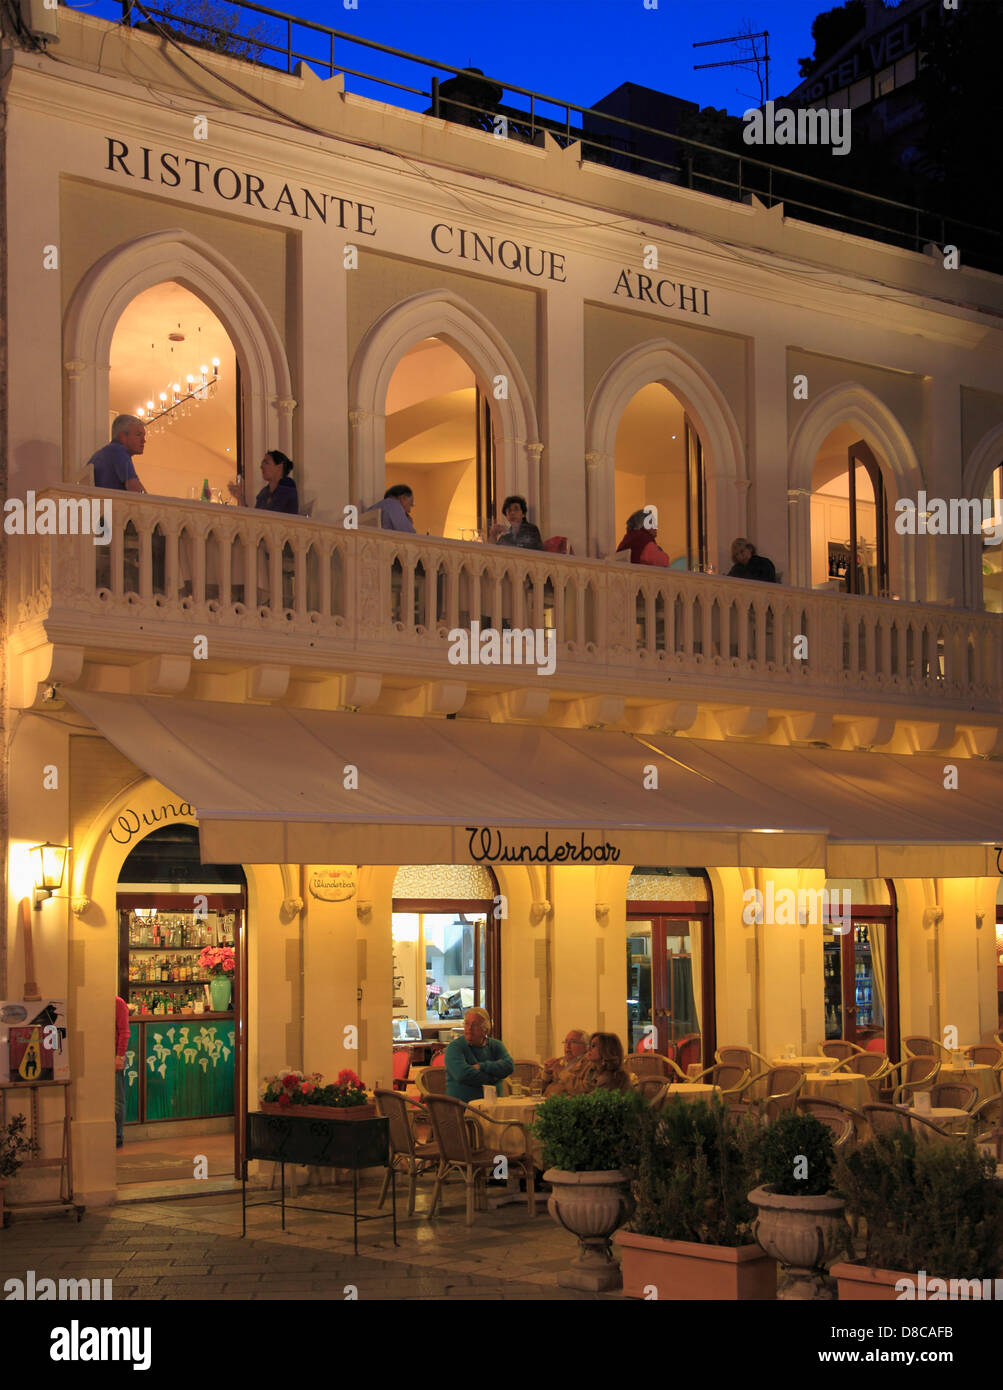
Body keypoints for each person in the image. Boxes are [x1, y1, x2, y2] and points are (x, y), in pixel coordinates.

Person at [444, 1007, 514, 1103]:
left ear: (485, 1030)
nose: (469, 1028)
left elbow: (509, 1066)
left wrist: (482, 1066)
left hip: (494, 1106)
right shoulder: (455, 1047)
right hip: (461, 1108)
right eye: (467, 1023)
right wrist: (494, 1077)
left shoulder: (496, 1045)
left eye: (474, 1025)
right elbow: (463, 1074)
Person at [86, 415, 147, 493]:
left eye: (144, 436)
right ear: (122, 437)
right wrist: (155, 504)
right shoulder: (118, 450)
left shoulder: (98, 455)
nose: (143, 440)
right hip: (111, 504)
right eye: (138, 435)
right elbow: (136, 489)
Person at [558, 1032, 633, 1095]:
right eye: (590, 1045)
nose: (588, 1049)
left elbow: (591, 1102)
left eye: (593, 1046)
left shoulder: (613, 1077)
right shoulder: (595, 1070)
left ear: (606, 1051)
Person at [229, 450, 298, 514]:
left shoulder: (287, 486)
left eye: (266, 463)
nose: (261, 466)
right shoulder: (264, 493)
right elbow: (255, 518)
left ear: (279, 467)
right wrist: (240, 497)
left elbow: (270, 516)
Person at [543, 1028, 590, 1095]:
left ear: (586, 1047)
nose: (567, 1046)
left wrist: (561, 1071)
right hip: (543, 1101)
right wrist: (546, 1073)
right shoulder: (558, 1061)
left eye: (573, 1042)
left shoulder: (588, 1064)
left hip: (564, 1103)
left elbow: (581, 1091)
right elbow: (534, 1089)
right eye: (566, 1042)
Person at [114, 995, 129, 1148]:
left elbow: (124, 1032)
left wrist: (119, 1056)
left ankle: (117, 1137)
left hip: (113, 1055)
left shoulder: (118, 1003)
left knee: (117, 1099)